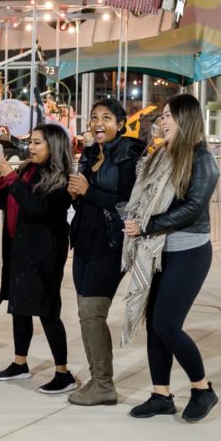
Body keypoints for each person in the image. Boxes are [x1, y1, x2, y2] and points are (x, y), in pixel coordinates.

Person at [122, 94, 220, 422]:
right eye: (162, 116)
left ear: (186, 119)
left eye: (170, 116)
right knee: (155, 326)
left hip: (190, 252)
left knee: (167, 324)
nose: (164, 121)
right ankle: (160, 394)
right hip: (159, 251)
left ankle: (203, 389)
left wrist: (148, 225)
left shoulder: (201, 158)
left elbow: (193, 206)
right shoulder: (163, 155)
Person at [66, 99, 146, 406]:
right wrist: (74, 195)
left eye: (107, 117)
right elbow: (84, 200)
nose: (99, 122)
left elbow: (127, 203)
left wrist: (88, 191)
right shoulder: (88, 153)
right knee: (85, 315)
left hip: (111, 245)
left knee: (92, 313)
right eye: (94, 117)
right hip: (84, 242)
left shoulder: (131, 154)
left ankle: (103, 383)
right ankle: (98, 379)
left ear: (121, 124)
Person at [0, 123, 76, 394]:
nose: (32, 147)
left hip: (44, 251)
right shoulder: (27, 169)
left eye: (38, 142)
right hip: (19, 246)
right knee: (19, 305)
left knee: (47, 310)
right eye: (31, 142)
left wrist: (12, 180)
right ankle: (20, 363)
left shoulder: (61, 178)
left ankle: (63, 372)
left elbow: (36, 208)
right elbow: (7, 203)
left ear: (55, 145)